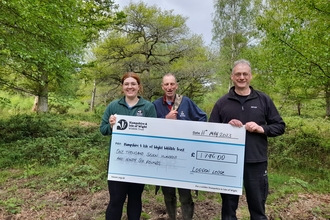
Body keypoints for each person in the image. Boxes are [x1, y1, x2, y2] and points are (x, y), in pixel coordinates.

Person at [209, 59, 285, 220]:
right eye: (238, 74)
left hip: (256, 161)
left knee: (258, 209)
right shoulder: (222, 103)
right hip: (229, 162)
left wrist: (261, 128)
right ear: (232, 77)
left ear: (250, 76)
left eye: (245, 74)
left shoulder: (263, 100)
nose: (241, 77)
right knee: (228, 210)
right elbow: (211, 131)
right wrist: (226, 127)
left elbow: (279, 126)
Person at [100, 72, 157, 220]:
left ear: (139, 87)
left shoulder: (148, 107)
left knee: (135, 199)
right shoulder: (113, 106)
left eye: (133, 84)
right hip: (117, 163)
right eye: (127, 84)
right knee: (116, 200)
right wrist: (111, 126)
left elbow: (154, 134)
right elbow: (103, 130)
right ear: (122, 87)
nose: (130, 87)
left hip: (139, 163)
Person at [153, 73, 207, 220]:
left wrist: (190, 130)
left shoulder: (186, 102)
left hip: (184, 157)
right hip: (164, 157)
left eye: (172, 84)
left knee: (185, 195)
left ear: (176, 86)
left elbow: (202, 118)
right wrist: (165, 119)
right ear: (162, 87)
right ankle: (171, 217)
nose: (169, 87)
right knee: (168, 194)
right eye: (166, 84)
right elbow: (148, 126)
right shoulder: (155, 105)